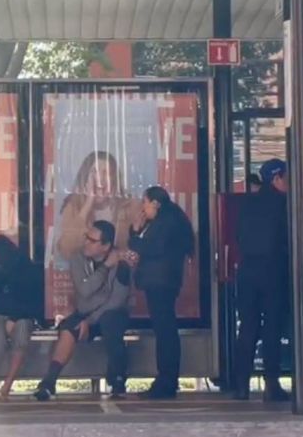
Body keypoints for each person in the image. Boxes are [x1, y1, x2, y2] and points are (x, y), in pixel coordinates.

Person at [34, 221, 132, 402]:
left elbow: (116, 301)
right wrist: (104, 268)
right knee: (69, 328)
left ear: (106, 246)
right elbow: (84, 290)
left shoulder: (121, 263)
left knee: (111, 322)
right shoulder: (78, 258)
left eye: (92, 240)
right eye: (86, 237)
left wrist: (91, 319)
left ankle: (117, 381)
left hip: (111, 313)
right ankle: (49, 383)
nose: (86, 242)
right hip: (84, 312)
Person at [128, 186, 194, 400]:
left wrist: (135, 232)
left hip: (161, 282)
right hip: (163, 281)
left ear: (155, 203)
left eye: (145, 203)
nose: (143, 209)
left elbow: (150, 248)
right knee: (165, 330)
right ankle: (166, 378)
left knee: (165, 331)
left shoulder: (167, 222)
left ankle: (166, 381)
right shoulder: (171, 218)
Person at [233, 158, 290, 402]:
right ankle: (271, 383)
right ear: (276, 179)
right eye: (287, 178)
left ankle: (241, 386)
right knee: (272, 328)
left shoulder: (247, 203)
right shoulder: (284, 204)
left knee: (247, 328)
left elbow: (238, 235)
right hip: (273, 271)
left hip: (247, 272)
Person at [0, 235, 41, 400]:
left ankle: (7, 385)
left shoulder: (27, 271)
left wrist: (13, 317)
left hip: (20, 316)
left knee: (22, 328)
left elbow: (32, 303)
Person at [56, 151, 140, 262]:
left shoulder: (130, 206)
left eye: (106, 172)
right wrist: (87, 205)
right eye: (94, 172)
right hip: (86, 275)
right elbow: (66, 251)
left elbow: (140, 249)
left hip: (119, 275)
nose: (100, 179)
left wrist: (120, 256)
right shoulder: (74, 206)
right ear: (85, 178)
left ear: (114, 179)